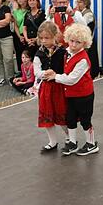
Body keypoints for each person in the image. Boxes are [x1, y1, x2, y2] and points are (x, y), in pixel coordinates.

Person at [42, 23, 98, 156]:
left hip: (84, 95)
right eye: (71, 41)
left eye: (77, 42)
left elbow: (72, 79)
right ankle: (72, 142)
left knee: (85, 120)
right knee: (70, 118)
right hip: (70, 94)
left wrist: (55, 76)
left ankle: (91, 143)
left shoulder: (83, 60)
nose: (73, 45)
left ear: (84, 43)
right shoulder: (68, 52)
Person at [34, 21, 68, 152]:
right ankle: (52, 141)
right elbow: (36, 71)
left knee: (62, 114)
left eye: (47, 38)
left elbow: (67, 68)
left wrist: (56, 74)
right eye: (41, 38)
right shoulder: (39, 53)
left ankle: (70, 138)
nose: (43, 41)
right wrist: (45, 73)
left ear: (55, 36)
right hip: (46, 89)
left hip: (60, 87)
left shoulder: (62, 52)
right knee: (47, 115)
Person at [74, 0, 101, 78]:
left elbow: (83, 24)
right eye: (77, 2)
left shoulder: (88, 14)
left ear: (85, 3)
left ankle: (92, 75)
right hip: (83, 40)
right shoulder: (82, 12)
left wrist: (76, 13)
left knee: (90, 59)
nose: (77, 4)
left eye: (80, 2)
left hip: (89, 40)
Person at [12, 0, 29, 74]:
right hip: (19, 34)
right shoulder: (16, 11)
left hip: (28, 34)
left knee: (28, 53)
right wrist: (19, 36)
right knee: (19, 53)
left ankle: (30, 71)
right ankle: (21, 72)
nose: (20, 0)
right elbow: (15, 25)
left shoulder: (29, 10)